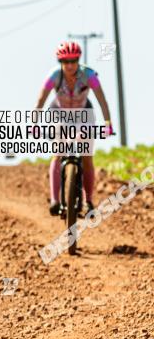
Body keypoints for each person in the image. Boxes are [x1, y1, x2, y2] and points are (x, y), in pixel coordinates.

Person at [35, 41, 114, 216]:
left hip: (84, 114)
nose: (69, 65)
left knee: (87, 156)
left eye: (73, 61)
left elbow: (102, 100)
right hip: (59, 114)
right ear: (60, 62)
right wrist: (34, 124)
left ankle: (88, 200)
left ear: (78, 60)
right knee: (58, 151)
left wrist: (108, 123)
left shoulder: (89, 75)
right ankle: (55, 200)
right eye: (65, 62)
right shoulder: (54, 76)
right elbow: (40, 101)